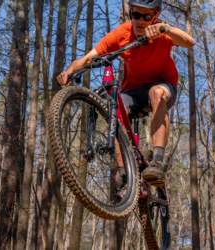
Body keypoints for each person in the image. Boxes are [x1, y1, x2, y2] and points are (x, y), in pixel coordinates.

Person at [57, 0, 195, 186]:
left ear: (154, 16)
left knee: (156, 93)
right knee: (115, 107)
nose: (140, 20)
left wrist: (166, 28)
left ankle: (157, 161)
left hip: (162, 86)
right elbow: (88, 57)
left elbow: (189, 42)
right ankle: (125, 174)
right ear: (131, 13)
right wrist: (68, 72)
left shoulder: (161, 31)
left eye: (146, 17)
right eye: (136, 15)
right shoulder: (123, 33)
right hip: (133, 90)